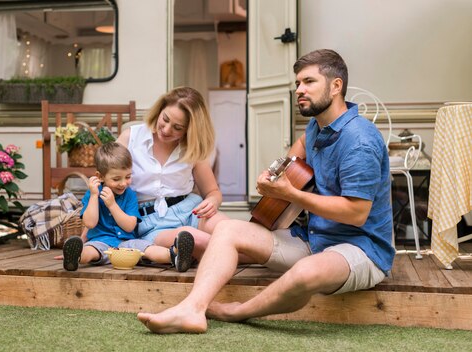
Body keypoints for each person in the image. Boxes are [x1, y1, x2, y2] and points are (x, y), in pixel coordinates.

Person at [137, 49, 395, 333]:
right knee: (228, 230)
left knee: (306, 273)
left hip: (360, 248)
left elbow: (357, 213)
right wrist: (274, 174)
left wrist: (292, 194)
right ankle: (192, 309)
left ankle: (238, 311)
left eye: (309, 82)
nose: (299, 90)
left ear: (336, 87)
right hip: (313, 240)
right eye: (297, 83)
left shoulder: (360, 141)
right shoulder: (316, 127)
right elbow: (297, 151)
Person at [116, 86, 228, 260]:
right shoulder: (130, 138)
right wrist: (89, 239)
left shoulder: (191, 148)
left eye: (177, 127)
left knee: (230, 230)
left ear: (190, 129)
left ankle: (266, 254)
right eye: (165, 119)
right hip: (151, 222)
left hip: (191, 210)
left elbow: (212, 192)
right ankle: (248, 256)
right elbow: (103, 184)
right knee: (196, 239)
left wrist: (213, 200)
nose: (167, 130)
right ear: (160, 110)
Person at [62, 142, 195, 272]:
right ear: (100, 177)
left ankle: (175, 255)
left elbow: (129, 226)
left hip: (128, 244)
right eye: (116, 179)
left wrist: (112, 205)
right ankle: (76, 256)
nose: (123, 183)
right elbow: (90, 223)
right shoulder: (92, 194)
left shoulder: (129, 195)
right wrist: (93, 196)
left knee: (148, 248)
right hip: (100, 242)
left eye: (128, 177)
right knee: (90, 251)